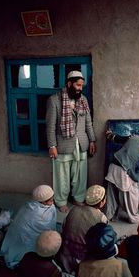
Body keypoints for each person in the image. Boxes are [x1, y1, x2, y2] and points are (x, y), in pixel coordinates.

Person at [46, 70, 96, 214]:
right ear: (69, 84)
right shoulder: (54, 100)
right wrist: (52, 146)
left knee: (80, 174)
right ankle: (61, 201)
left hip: (81, 143)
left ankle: (78, 198)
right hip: (62, 144)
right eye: (78, 85)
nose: (80, 88)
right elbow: (50, 126)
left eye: (82, 85)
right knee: (61, 175)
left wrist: (92, 140)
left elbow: (88, 123)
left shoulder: (83, 100)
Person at [0, 185, 57, 269]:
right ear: (42, 202)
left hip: (16, 240)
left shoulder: (28, 205)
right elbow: (47, 231)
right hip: (25, 242)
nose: (53, 202)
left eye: (52, 198)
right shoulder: (43, 215)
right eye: (50, 200)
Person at [57, 185, 108, 273]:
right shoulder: (101, 218)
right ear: (101, 202)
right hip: (84, 260)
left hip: (65, 255)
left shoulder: (73, 209)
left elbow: (64, 228)